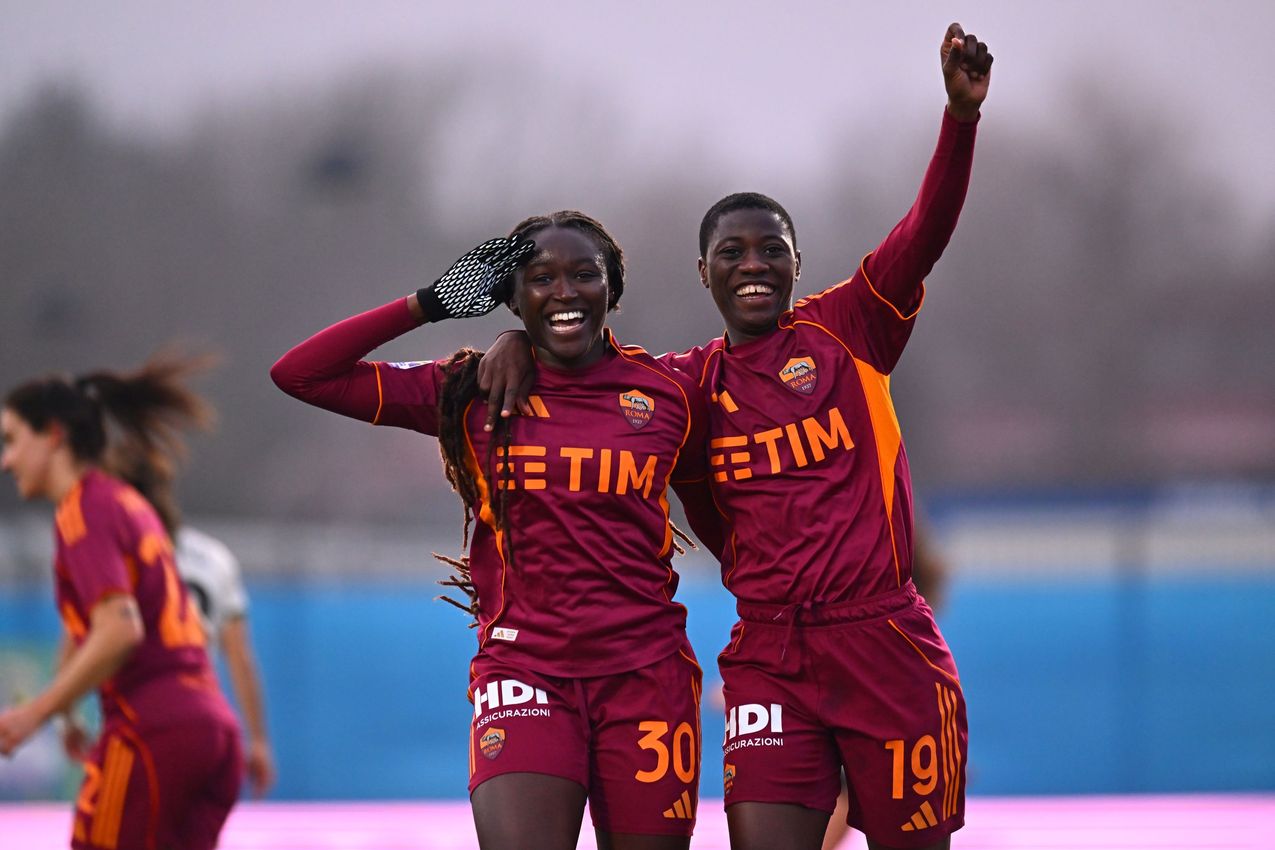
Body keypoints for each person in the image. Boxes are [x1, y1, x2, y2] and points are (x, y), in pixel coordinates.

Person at [480, 23, 992, 850]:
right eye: (731, 251)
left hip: (885, 643)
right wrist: (517, 341)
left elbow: (923, 233)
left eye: (771, 250)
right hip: (770, 654)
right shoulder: (682, 387)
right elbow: (586, 360)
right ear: (702, 272)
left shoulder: (850, 330)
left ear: (796, 263)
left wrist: (959, 121)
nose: (752, 264)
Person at [270, 211, 713, 850]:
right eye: (540, 278)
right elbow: (300, 373)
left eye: (585, 274)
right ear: (510, 295)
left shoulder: (669, 390)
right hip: (525, 668)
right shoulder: (470, 390)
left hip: (646, 675)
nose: (565, 291)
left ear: (612, 290)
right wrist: (429, 304)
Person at [0, 356, 243, 850]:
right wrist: (68, 712)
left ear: (52, 434)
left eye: (11, 439)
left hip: (152, 729)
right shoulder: (126, 502)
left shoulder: (82, 511)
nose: (6, 460)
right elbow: (102, 626)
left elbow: (120, 628)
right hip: (212, 727)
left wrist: (37, 714)